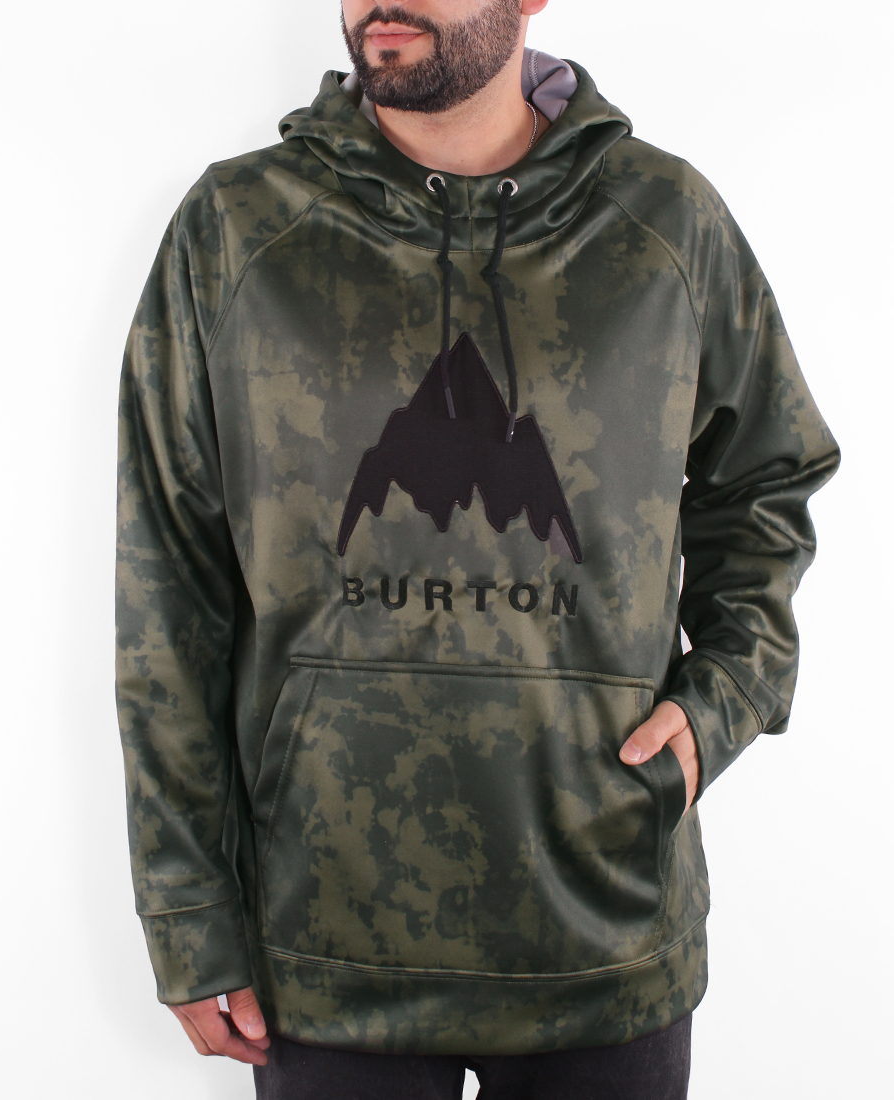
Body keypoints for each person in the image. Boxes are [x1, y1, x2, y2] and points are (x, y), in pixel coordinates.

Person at [115, 2, 839, 1097]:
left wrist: (724, 697)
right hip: (321, 949)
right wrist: (185, 908)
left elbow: (768, 479)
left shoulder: (666, 225)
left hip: (601, 936)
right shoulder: (235, 231)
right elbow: (168, 586)